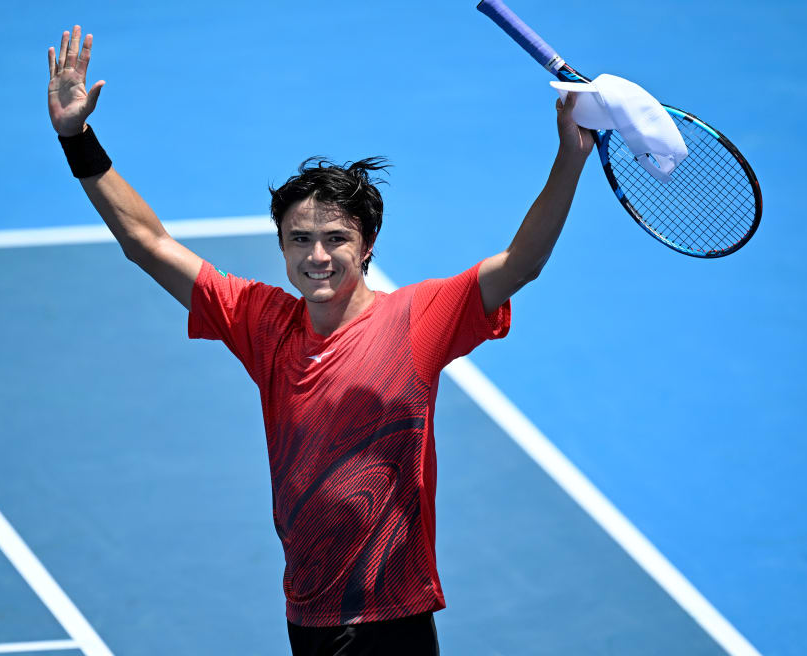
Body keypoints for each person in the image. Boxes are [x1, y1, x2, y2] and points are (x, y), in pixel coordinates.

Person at [47, 23, 593, 656]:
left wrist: (570, 155)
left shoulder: (418, 318)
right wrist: (75, 137)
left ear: (367, 247)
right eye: (299, 240)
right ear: (281, 248)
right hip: (306, 613)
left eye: (336, 239)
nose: (318, 256)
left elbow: (521, 262)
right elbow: (147, 243)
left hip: (391, 617)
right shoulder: (262, 321)